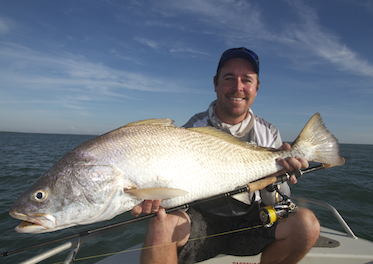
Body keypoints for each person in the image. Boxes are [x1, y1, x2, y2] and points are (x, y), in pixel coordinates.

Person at [131, 47, 320, 264]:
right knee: (160, 226)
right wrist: (154, 196)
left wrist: (278, 178)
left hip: (252, 218)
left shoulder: (269, 133)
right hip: (200, 221)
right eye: (229, 78)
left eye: (246, 80)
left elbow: (279, 199)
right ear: (216, 84)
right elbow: (175, 188)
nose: (238, 87)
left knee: (307, 225)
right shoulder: (191, 129)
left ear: (256, 88)